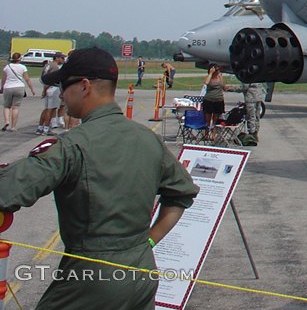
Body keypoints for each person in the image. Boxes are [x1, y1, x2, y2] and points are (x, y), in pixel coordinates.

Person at [0, 47, 199, 309]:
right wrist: (148, 241)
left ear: (84, 86)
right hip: (141, 271)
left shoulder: (72, 145)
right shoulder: (147, 139)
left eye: (63, 85)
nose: (61, 92)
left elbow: (7, 191)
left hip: (91, 278)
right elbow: (182, 194)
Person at [2, 52, 37, 131]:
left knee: (7, 106)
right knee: (15, 107)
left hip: (8, 87)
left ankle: (7, 121)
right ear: (20, 59)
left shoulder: (7, 67)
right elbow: (27, 79)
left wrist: (1, 88)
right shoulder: (22, 67)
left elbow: (4, 79)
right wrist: (32, 89)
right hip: (19, 87)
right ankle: (13, 126)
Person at [37, 53, 65, 134]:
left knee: (46, 109)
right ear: (57, 58)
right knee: (51, 109)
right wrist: (45, 89)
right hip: (53, 87)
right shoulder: (55, 67)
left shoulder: (47, 65)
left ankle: (40, 127)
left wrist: (44, 89)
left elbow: (43, 77)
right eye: (62, 58)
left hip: (47, 87)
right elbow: (51, 79)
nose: (63, 60)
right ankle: (46, 129)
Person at [239, 80, 265, 147]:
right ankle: (256, 132)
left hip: (251, 98)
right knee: (257, 116)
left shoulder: (248, 75)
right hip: (259, 96)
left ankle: (252, 135)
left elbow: (244, 87)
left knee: (251, 116)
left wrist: (229, 88)